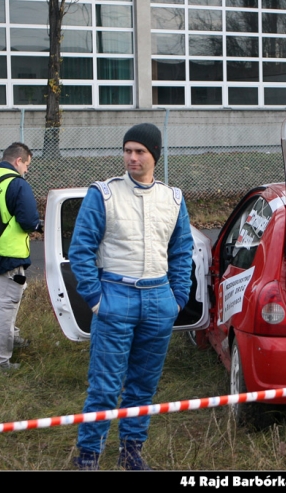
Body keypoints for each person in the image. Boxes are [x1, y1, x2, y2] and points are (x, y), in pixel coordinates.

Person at [69, 123, 194, 470]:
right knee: (105, 386)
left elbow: (182, 252)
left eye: (140, 151)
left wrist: (177, 298)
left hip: (159, 300)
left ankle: (131, 452)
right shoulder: (103, 194)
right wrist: (95, 299)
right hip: (115, 296)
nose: (132, 157)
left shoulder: (173, 198)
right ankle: (89, 455)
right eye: (127, 150)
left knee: (143, 385)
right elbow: (80, 250)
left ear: (155, 154)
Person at [0, 142, 42, 372]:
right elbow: (29, 221)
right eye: (27, 165)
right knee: (5, 305)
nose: (27, 170)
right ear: (18, 161)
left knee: (7, 299)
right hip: (8, 254)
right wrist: (39, 225)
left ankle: (12, 337)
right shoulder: (17, 184)